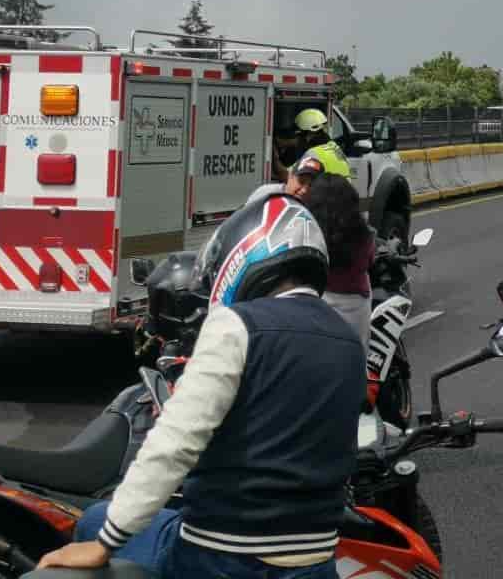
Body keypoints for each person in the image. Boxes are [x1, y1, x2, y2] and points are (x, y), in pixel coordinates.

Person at [38, 194, 364, 579]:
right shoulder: (348, 340)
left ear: (245, 252)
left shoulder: (237, 324)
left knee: (94, 520)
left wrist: (105, 542)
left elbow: (175, 443)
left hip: (220, 561)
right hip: (315, 564)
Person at [301, 173, 377, 345]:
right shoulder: (364, 237)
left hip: (317, 307)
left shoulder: (307, 234)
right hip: (356, 309)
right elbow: (371, 260)